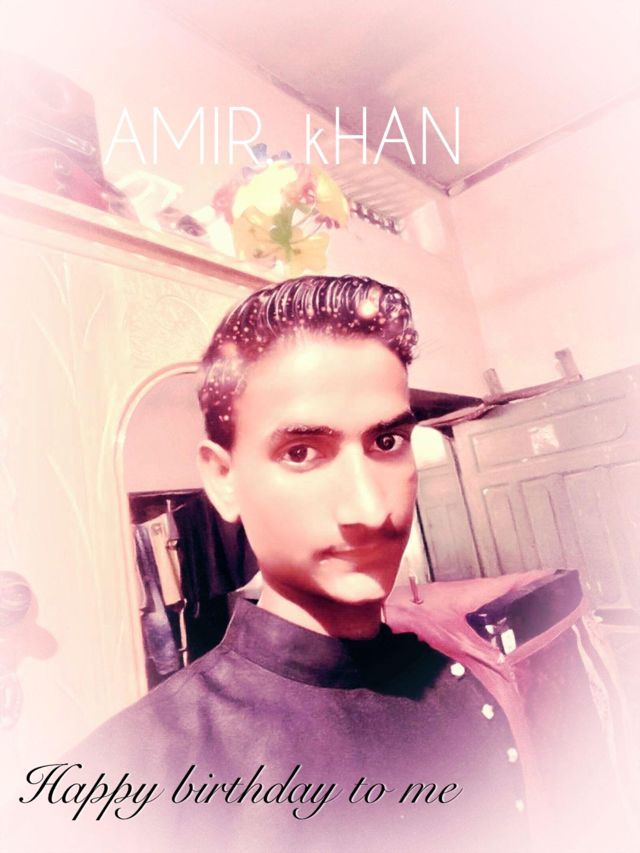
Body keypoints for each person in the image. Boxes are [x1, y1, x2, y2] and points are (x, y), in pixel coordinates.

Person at [12, 275, 528, 853]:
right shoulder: (121, 787)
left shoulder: (458, 688)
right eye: (301, 452)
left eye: (386, 443)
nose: (368, 509)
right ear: (223, 479)